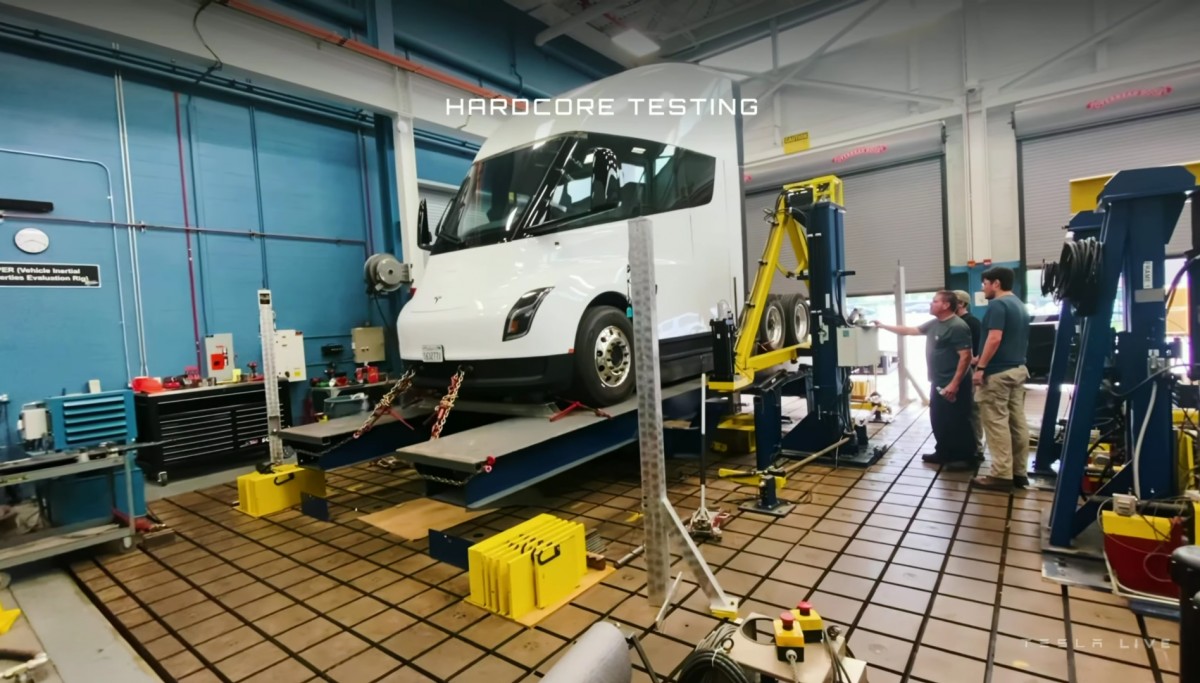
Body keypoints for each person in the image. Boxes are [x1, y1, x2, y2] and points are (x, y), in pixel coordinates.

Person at [874, 291, 975, 466]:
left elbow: (965, 356)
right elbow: (910, 330)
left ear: (946, 305)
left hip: (954, 383)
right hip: (938, 381)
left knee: (957, 420)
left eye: (934, 301)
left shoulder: (957, 326)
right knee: (939, 419)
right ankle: (943, 452)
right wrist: (883, 326)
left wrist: (954, 384)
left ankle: (964, 458)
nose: (930, 304)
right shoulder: (935, 323)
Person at [971, 266, 1032, 491]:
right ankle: (1019, 472)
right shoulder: (1019, 305)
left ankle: (1001, 475)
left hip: (997, 374)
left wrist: (981, 366)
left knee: (996, 423)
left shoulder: (997, 305)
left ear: (996, 284)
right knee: (1017, 422)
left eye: (985, 283)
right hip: (1017, 369)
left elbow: (995, 338)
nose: (983, 288)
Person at [954, 290, 984, 460]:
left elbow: (978, 349)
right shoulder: (953, 322)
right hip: (957, 370)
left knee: (972, 408)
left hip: (969, 369)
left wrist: (974, 363)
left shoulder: (971, 322)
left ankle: (976, 448)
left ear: (962, 304)